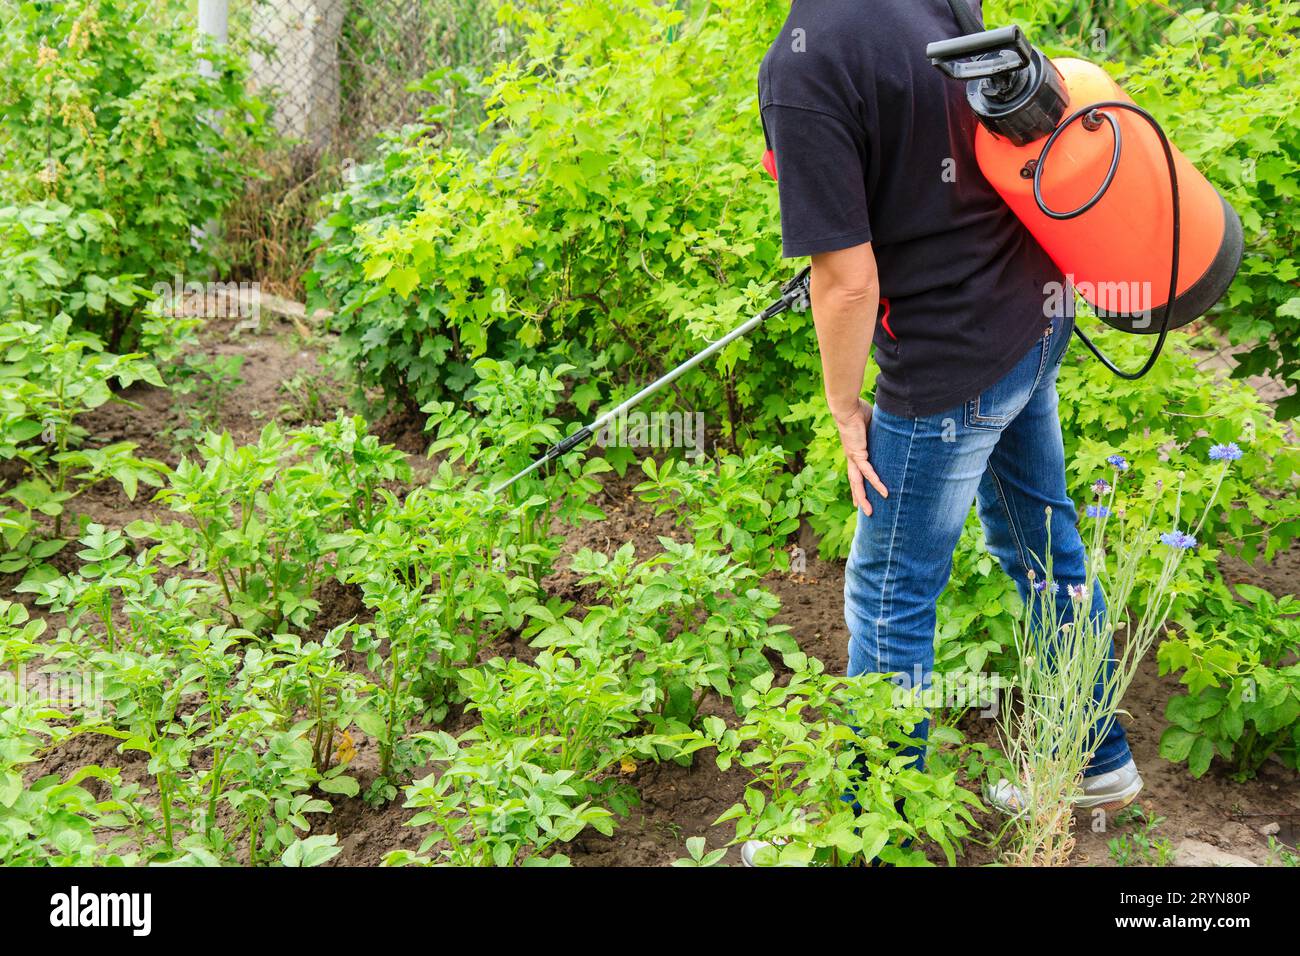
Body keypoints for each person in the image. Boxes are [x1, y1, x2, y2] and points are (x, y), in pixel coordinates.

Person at [743, 0, 1141, 865]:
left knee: (890, 595)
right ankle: (1097, 760)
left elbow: (846, 282)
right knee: (1045, 548)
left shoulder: (800, 68)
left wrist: (848, 410)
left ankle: (867, 836)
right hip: (1032, 314)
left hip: (948, 364)